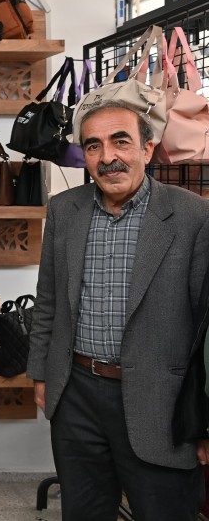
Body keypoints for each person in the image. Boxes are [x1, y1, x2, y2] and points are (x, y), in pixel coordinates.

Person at [27, 100, 209, 521]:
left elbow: (206, 329)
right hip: (76, 395)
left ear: (147, 148)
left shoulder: (193, 216)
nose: (107, 156)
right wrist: (41, 373)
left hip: (161, 401)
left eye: (120, 141)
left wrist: (205, 418)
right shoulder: (64, 210)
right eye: (93, 146)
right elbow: (48, 300)